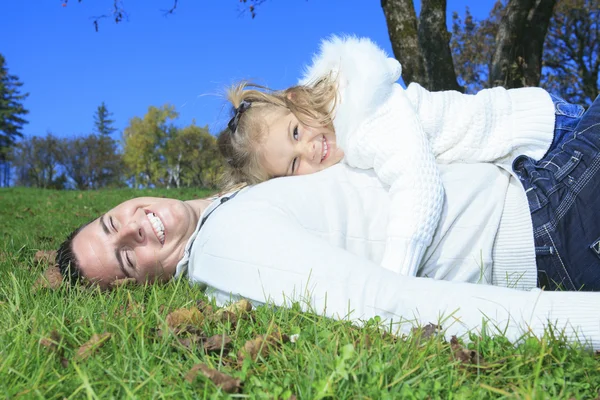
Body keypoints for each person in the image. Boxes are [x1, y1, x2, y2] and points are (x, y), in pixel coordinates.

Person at [57, 94, 600, 349]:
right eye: (127, 256)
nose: (131, 228)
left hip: (537, 178)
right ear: (146, 280)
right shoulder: (227, 244)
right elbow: (389, 300)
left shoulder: (234, 202)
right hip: (548, 220)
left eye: (111, 223)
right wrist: (585, 324)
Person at [217, 35, 584, 279]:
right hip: (532, 152)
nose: (309, 148)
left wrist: (394, 276)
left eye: (296, 132)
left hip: (543, 132)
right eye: (294, 163)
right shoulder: (340, 126)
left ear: (295, 99)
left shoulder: (365, 117)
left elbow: (418, 184)